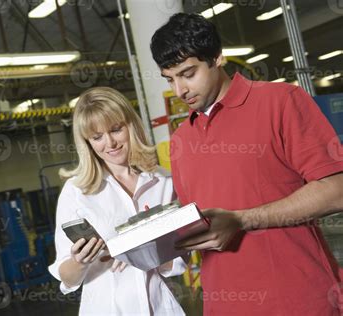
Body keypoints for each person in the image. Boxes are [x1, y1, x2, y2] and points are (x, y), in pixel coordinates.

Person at [150, 13, 343, 316]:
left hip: (298, 301)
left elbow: (336, 191)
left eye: (188, 74)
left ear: (217, 58)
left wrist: (242, 220)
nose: (179, 91)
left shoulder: (281, 101)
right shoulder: (181, 141)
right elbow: (198, 227)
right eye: (170, 79)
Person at [48, 87, 187, 315]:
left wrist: (143, 253)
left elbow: (178, 260)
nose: (110, 143)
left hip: (160, 307)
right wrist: (80, 261)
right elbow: (66, 277)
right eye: (97, 137)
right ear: (88, 142)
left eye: (115, 129)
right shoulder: (76, 191)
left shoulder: (163, 181)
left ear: (131, 125)